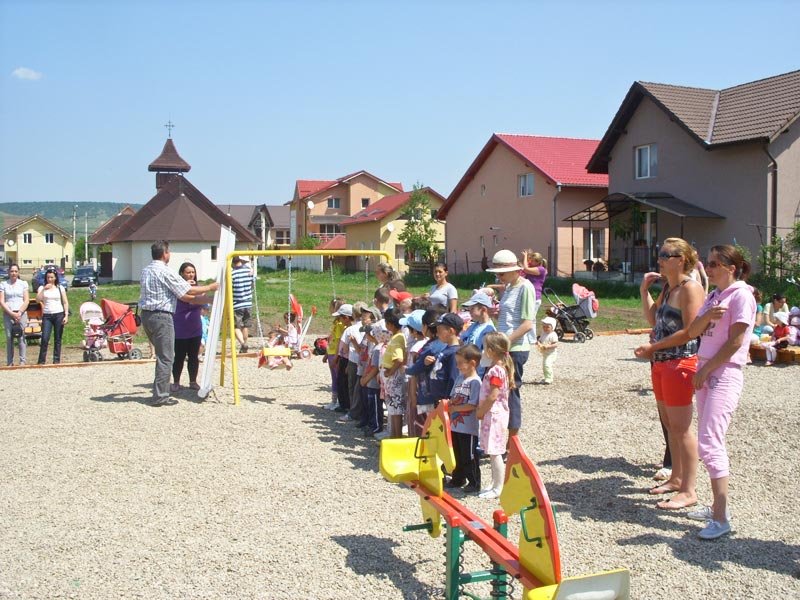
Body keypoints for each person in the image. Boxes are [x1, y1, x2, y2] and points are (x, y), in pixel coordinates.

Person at [685, 244, 756, 540]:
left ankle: (721, 517)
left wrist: (706, 370)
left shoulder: (741, 295)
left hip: (723, 372)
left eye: (714, 264)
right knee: (708, 440)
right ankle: (717, 507)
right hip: (707, 368)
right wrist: (708, 315)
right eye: (708, 263)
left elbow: (736, 341)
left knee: (710, 442)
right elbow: (693, 331)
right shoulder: (716, 296)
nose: (709, 268)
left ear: (731, 267)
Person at [635, 238, 704, 511]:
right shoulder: (668, 287)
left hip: (680, 363)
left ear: (681, 259)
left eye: (665, 255)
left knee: (682, 428)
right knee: (670, 425)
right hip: (662, 363)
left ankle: (689, 489)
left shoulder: (690, 288)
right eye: (660, 254)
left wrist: (653, 347)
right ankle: (676, 478)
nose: (660, 260)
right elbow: (654, 320)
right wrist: (644, 291)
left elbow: (690, 331)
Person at [139, 241, 219, 407]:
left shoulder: (146, 270)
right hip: (161, 316)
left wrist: (207, 297)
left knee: (163, 355)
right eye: (169, 251)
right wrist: (211, 287)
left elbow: (184, 295)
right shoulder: (165, 271)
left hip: (147, 315)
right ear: (165, 253)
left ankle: (159, 391)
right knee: (166, 357)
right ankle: (160, 396)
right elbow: (187, 291)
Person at [485, 249, 535, 437]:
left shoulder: (525, 287)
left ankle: (512, 439)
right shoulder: (509, 287)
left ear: (515, 270)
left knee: (511, 392)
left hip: (515, 348)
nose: (499, 277)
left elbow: (527, 323)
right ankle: (500, 435)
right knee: (499, 391)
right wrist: (496, 314)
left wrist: (505, 342)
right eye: (497, 274)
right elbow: (510, 317)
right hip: (505, 347)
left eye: (502, 273)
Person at [476, 332, 513, 499]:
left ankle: (498, 487)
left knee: (495, 451)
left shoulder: (496, 371)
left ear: (490, 350)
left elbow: (493, 395)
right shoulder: (498, 368)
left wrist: (481, 410)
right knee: (491, 450)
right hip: (492, 414)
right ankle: (494, 482)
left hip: (494, 414)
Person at [446, 344, 483, 493]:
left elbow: (473, 404)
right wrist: (449, 403)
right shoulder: (460, 378)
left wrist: (455, 408)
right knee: (457, 454)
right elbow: (453, 396)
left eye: (461, 363)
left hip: (468, 427)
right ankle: (458, 478)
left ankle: (474, 482)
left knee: (469, 455)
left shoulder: (475, 382)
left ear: (472, 363)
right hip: (455, 425)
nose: (458, 366)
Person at [172, 262, 211, 392]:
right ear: (182, 274)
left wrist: (202, 294)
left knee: (194, 356)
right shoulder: (177, 289)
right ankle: (176, 382)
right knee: (179, 356)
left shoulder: (199, 289)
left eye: (193, 272)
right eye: (188, 272)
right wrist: (188, 287)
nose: (191, 275)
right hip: (180, 328)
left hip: (195, 327)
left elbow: (205, 306)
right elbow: (188, 298)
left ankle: (193, 381)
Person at [381, 308, 407, 438]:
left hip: (394, 377)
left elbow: (399, 359)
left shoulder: (397, 339)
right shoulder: (397, 337)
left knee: (396, 410)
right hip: (393, 376)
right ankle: (394, 435)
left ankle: (396, 437)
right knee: (393, 410)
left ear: (390, 324)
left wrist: (390, 372)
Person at [36, 267, 69, 365]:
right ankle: (41, 361)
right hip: (47, 315)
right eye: (48, 277)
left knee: (58, 338)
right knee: (45, 338)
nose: (49, 279)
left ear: (55, 278)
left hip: (59, 314)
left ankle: (56, 360)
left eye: (51, 277)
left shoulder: (60, 288)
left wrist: (66, 315)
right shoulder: (42, 288)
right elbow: (37, 300)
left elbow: (65, 302)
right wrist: (43, 290)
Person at [0, 264, 29, 366]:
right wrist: (11, 313)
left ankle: (22, 361)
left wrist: (19, 313)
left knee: (21, 337)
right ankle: (10, 362)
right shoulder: (4, 284)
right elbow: (2, 301)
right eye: (12, 271)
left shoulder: (23, 284)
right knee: (9, 337)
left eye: (16, 271)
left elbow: (26, 300)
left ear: (18, 272)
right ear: (9, 272)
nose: (14, 273)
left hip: (21, 313)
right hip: (8, 313)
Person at [521, 249, 548, 338]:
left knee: (531, 318)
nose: (530, 262)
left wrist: (525, 256)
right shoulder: (534, 268)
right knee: (529, 317)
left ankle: (532, 339)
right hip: (530, 295)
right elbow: (524, 267)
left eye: (532, 260)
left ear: (537, 262)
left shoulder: (541, 269)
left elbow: (526, 269)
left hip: (535, 296)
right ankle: (529, 337)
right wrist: (527, 256)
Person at [231, 256, 254, 353]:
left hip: (237, 303)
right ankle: (245, 344)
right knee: (245, 326)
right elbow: (253, 283)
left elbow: (230, 287)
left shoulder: (232, 273)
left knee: (236, 326)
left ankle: (242, 343)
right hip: (248, 303)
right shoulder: (248, 271)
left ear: (232, 263)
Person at [536, 316, 559, 384]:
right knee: (544, 366)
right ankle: (547, 377)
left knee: (547, 365)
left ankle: (549, 378)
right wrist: (538, 343)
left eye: (547, 327)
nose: (545, 328)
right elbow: (540, 340)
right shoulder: (543, 333)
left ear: (552, 327)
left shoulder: (553, 335)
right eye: (544, 326)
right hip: (545, 353)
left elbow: (556, 344)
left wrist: (548, 346)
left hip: (551, 354)